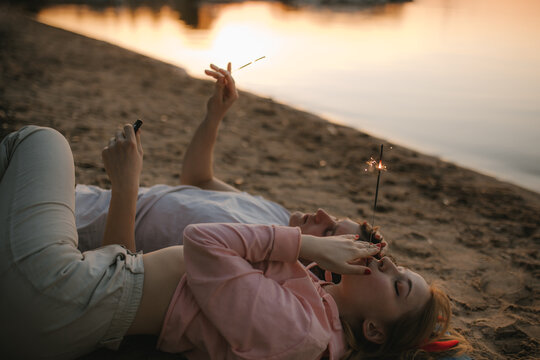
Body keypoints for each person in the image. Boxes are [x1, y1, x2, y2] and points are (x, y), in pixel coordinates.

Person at [0, 64, 468, 360]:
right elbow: (197, 180)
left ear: (373, 330)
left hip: (72, 288)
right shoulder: (309, 304)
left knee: (42, 140)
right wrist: (215, 117)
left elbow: (201, 243)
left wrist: (307, 246)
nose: (382, 259)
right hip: (75, 288)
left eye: (398, 281)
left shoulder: (303, 330)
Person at [75, 63, 384, 255]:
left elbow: (118, 269)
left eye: (328, 231)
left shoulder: (256, 255)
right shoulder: (277, 214)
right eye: (333, 217)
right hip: (86, 197)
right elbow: (199, 181)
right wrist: (214, 116)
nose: (320, 214)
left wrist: (126, 184)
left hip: (75, 227)